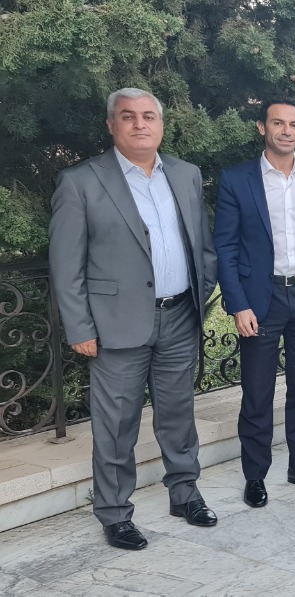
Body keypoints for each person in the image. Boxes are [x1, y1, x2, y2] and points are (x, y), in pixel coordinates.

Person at [49, 87, 219, 549]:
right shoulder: (81, 181)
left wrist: (198, 300)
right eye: (128, 116)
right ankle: (114, 512)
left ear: (160, 125)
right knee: (116, 426)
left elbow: (202, 246)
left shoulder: (185, 174)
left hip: (179, 317)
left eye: (148, 116)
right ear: (112, 125)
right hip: (114, 327)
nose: (140, 124)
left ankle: (185, 494)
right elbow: (66, 265)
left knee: (178, 416)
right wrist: (80, 327)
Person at [214, 97, 295, 507]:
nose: (287, 131)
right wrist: (238, 305)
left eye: (294, 124)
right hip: (260, 299)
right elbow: (225, 247)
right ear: (261, 128)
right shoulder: (237, 179)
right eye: (278, 123)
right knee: (257, 394)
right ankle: (255, 476)